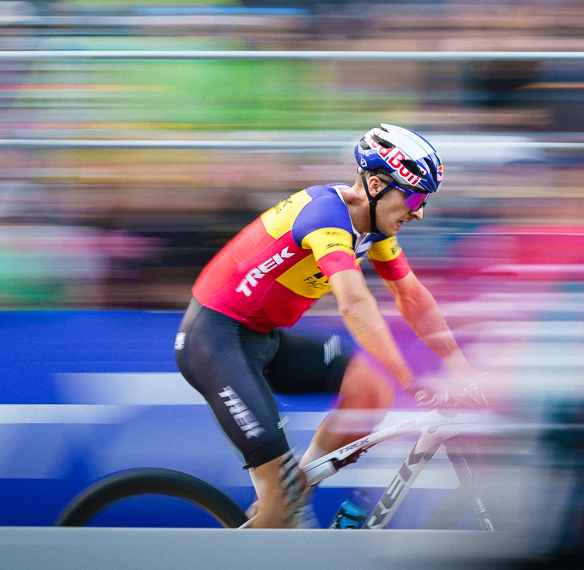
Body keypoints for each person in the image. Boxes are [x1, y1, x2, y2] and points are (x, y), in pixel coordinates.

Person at [175, 124, 476, 528]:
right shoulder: (325, 216)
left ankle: (297, 488)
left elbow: (413, 298)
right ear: (374, 184)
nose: (419, 211)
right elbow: (353, 302)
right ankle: (254, 554)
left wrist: (464, 371)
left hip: (262, 337)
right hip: (213, 341)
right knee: (279, 506)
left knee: (369, 387)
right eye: (416, 197)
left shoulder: (371, 227)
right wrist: (411, 378)